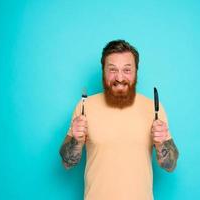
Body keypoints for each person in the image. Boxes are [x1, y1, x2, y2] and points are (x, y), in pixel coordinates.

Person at [59, 40, 179, 200]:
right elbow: (67, 163)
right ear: (103, 71)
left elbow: (170, 166)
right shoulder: (84, 107)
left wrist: (161, 142)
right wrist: (77, 140)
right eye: (112, 70)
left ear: (136, 72)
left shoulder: (153, 108)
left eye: (127, 70)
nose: (119, 77)